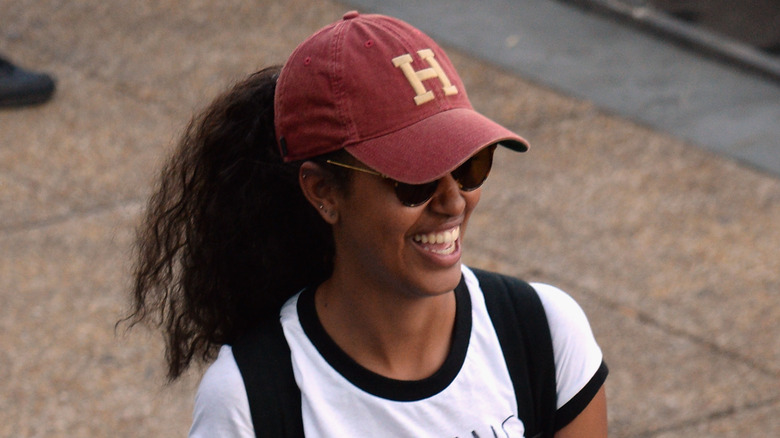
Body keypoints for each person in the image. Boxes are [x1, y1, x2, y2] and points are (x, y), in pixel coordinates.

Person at [125, 11, 608, 438]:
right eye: (413, 180)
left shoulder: (541, 333)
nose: (453, 199)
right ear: (324, 193)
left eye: (469, 163)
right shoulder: (252, 402)